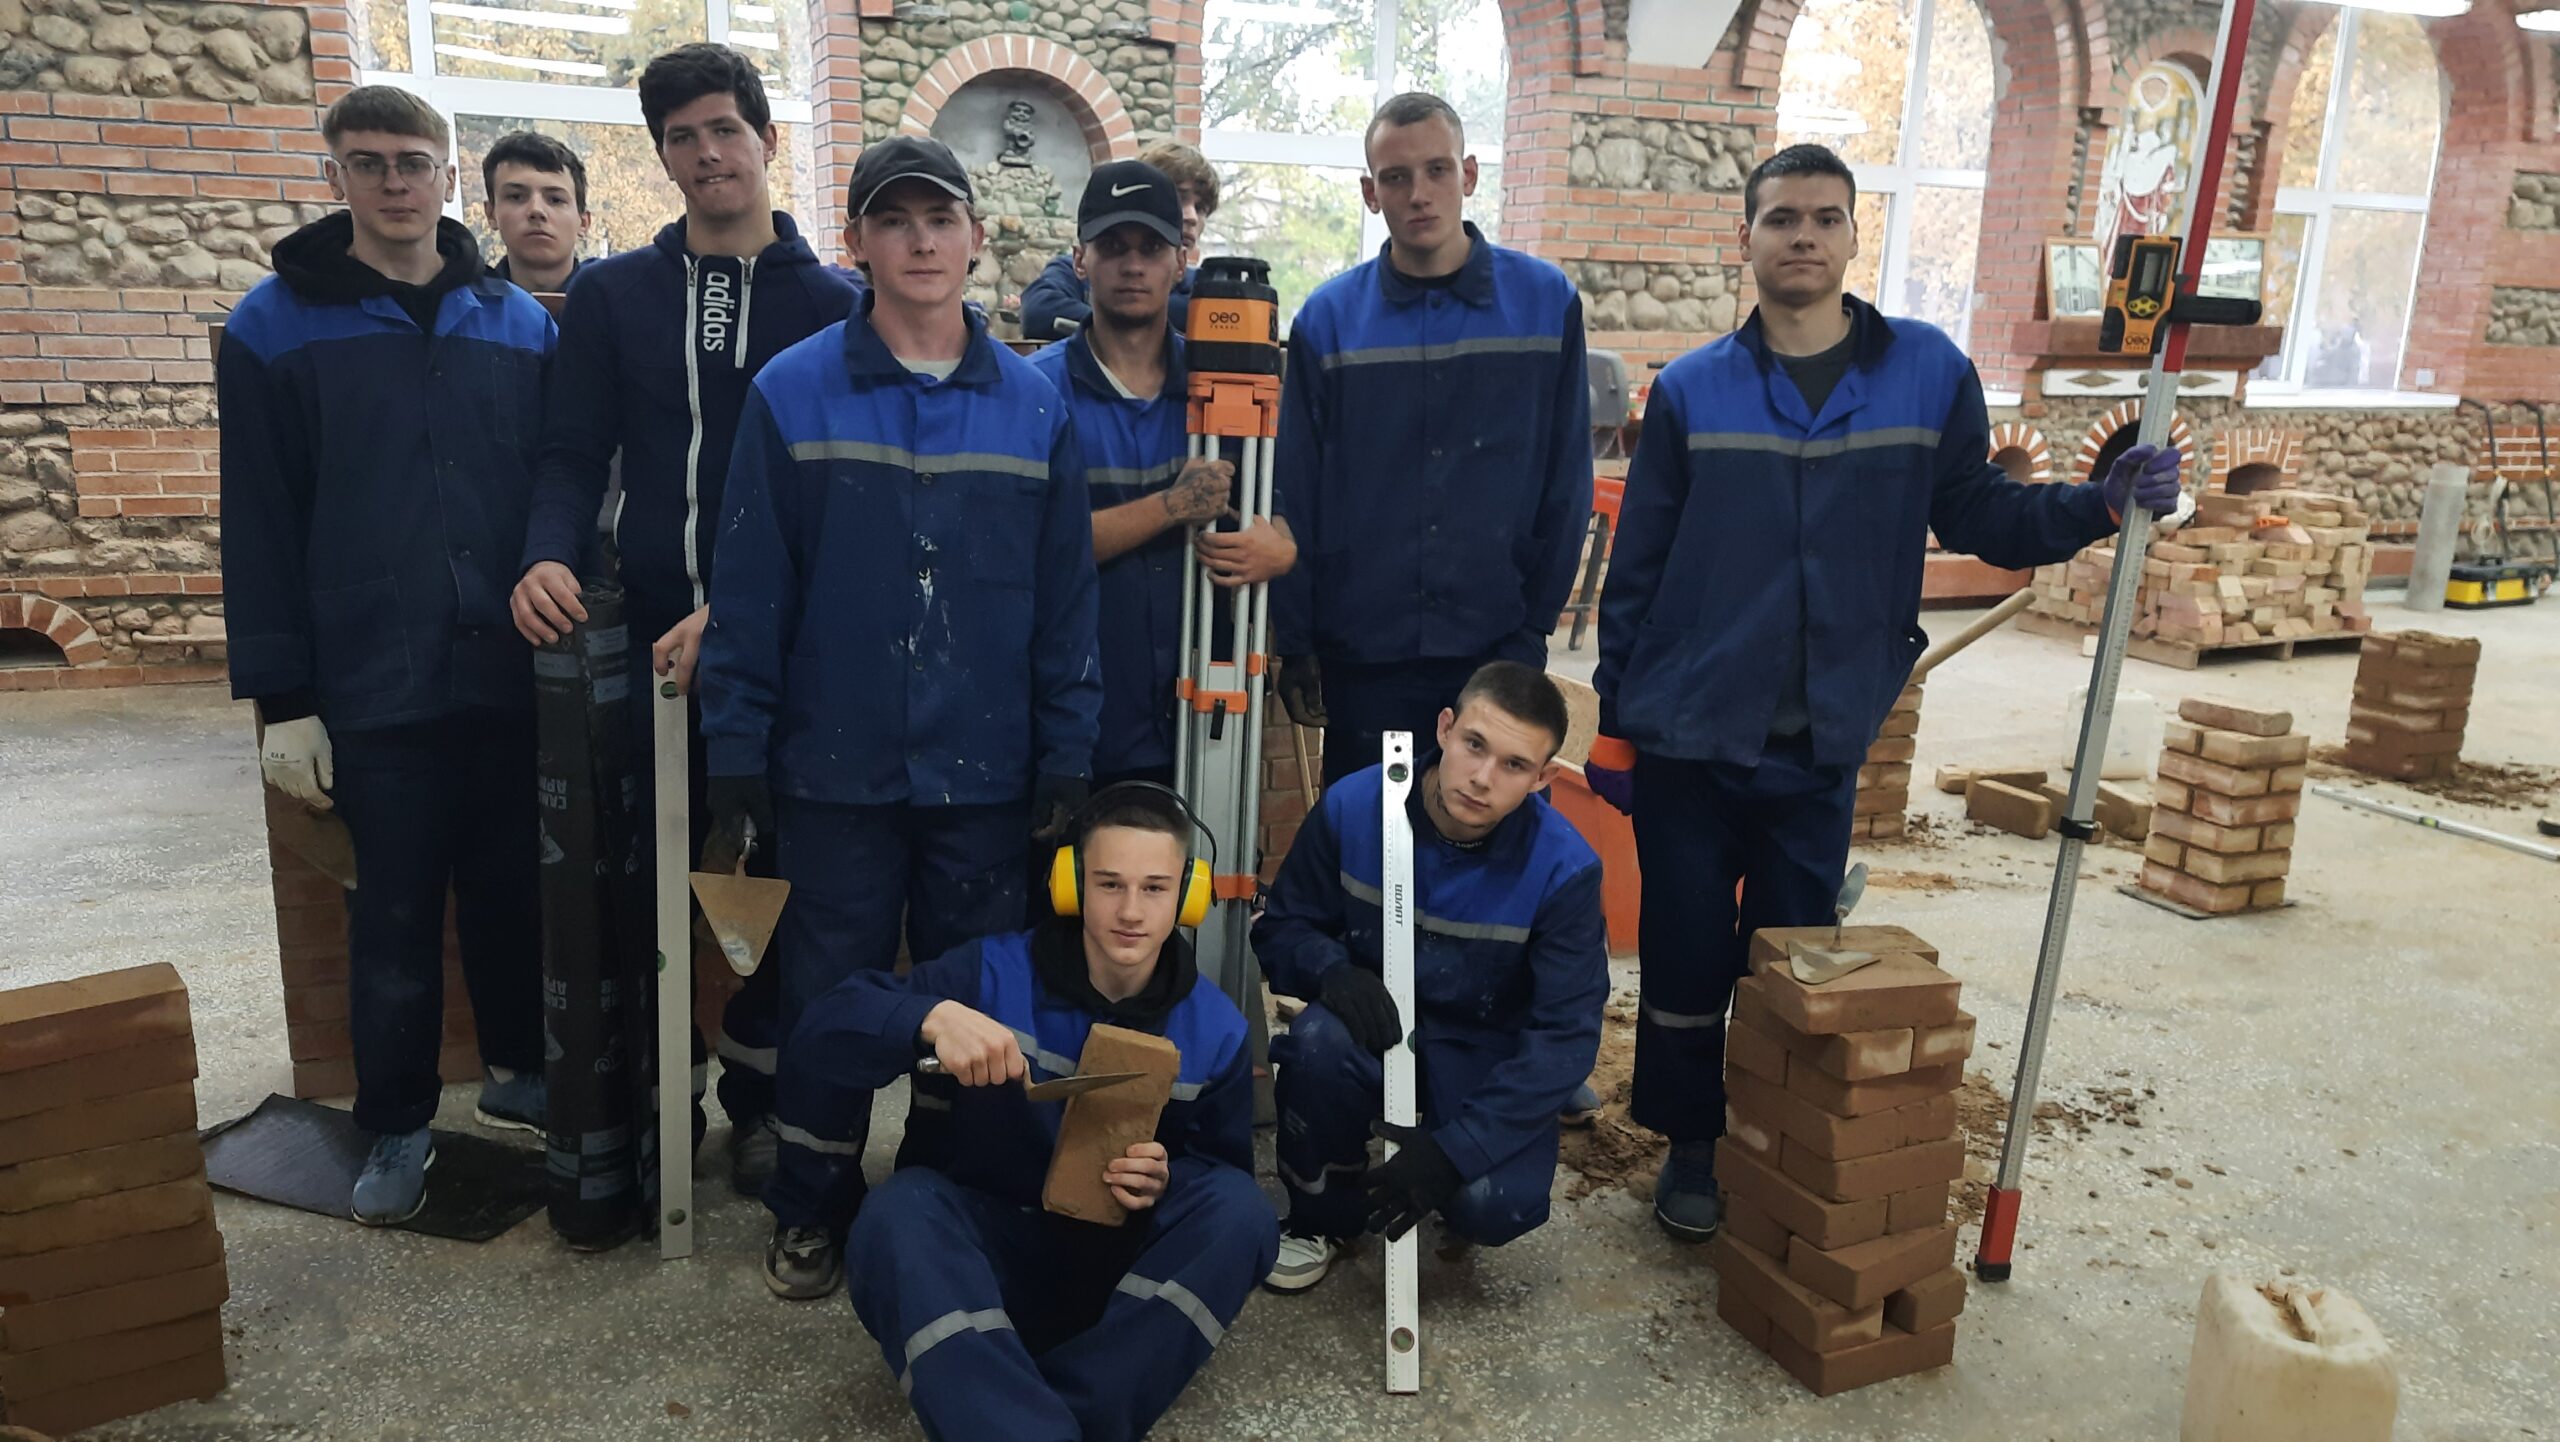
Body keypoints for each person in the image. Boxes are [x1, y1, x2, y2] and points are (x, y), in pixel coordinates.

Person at [1585, 142, 2185, 1241]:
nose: (1803, 236)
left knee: (1794, 955)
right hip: (1690, 727)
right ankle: (1691, 1142)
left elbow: (1980, 514)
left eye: (1825, 218)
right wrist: (1615, 728)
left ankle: (1771, 1129)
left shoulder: (1925, 372)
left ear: (1854, 236)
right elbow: (1640, 564)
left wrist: (2096, 504)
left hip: (1820, 735)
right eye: (1781, 218)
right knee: (1682, 956)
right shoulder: (1693, 388)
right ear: (1747, 238)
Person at [697, 134, 1103, 1278]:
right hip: (834, 772)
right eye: (894, 220)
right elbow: (751, 590)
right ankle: (812, 1200)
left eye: (940, 219)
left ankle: (941, 1192)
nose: (920, 241)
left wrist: (1066, 753)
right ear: (857, 242)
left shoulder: (1035, 407)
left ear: (975, 239)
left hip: (987, 774)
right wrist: (737, 748)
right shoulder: (791, 392)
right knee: (831, 999)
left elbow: (1066, 603)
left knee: (973, 996)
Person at [510, 43, 860, 1195]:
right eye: (681, 137)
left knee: (778, 886)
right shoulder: (613, 297)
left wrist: (745, 614)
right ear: (661, 155)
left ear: (767, 140)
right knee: (643, 884)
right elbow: (572, 451)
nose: (707, 153)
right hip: (647, 644)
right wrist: (547, 551)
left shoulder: (836, 304)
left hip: (792, 652)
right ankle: (664, 1098)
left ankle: (766, 1100)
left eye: (724, 129)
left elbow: (841, 500)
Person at [221, 85, 559, 1224]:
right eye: (367, 162)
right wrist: (284, 701)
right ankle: (398, 1123)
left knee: (515, 895)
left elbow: (556, 484)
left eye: (414, 161)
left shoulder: (519, 323)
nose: (394, 182)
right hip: (374, 679)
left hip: (510, 668)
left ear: (448, 177)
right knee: (396, 919)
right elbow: (258, 518)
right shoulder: (273, 327)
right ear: (334, 178)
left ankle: (520, 1073)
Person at [760, 783, 1277, 1441]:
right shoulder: (991, 975)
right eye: (1109, 884)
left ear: (1188, 896)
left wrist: (1166, 1178)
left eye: (1155, 888)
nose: (1130, 910)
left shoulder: (1218, 1029)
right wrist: (928, 1017)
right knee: (896, 1213)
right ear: (1070, 885)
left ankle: (1034, 1416)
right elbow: (820, 1036)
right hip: (986, 1258)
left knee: (1243, 1212)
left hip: (1121, 1290)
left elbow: (1220, 1184)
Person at [1269, 91, 1592, 794]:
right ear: (1370, 193)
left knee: (1484, 838)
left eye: (1437, 170)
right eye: (1396, 177)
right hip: (1365, 657)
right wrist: (1296, 640)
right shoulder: (1329, 321)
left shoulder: (1545, 305)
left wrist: (1534, 627)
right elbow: (1296, 488)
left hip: (1496, 644)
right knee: (1376, 843)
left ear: (1468, 175)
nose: (1419, 194)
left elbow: (1566, 481)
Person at [1253, 662, 1606, 1290]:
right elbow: (1282, 927)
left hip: (1481, 1047)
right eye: (1474, 744)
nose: (1482, 778)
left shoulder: (1564, 869)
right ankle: (1320, 1216)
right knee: (1316, 1046)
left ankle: (1446, 1172)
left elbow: (1565, 1037)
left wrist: (1456, 1151)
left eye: (1514, 765)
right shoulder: (1354, 807)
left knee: (1494, 1204)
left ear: (1544, 778)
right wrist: (1331, 972)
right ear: (1444, 729)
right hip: (1372, 1028)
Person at [1027, 160, 1295, 792]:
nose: (1132, 265)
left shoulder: (1231, 387)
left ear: (1180, 262)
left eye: (1151, 248)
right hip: (1075, 727)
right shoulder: (1035, 393)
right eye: (1113, 247)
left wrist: (1281, 548)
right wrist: (1170, 507)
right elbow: (1032, 549)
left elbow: (1280, 508)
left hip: (1204, 719)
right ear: (1080, 259)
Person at [1021, 141, 1221, 342]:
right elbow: (1039, 311)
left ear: (1181, 262)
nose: (1191, 217)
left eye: (1201, 208)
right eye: (1179, 199)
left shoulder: (1207, 285)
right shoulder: (1073, 270)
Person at [480, 130, 591, 294]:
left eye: (555, 200)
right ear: (491, 213)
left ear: (583, 222)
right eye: (516, 197)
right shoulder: (460, 305)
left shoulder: (616, 304)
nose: (536, 210)